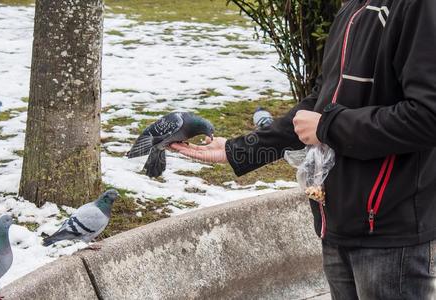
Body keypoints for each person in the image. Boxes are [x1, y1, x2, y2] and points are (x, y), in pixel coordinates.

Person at [171, 0, 436, 299]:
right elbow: (319, 102)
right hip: (335, 223)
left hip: (389, 232)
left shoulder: (417, 6)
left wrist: (328, 127)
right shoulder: (352, 8)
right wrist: (239, 149)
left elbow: (427, 116)